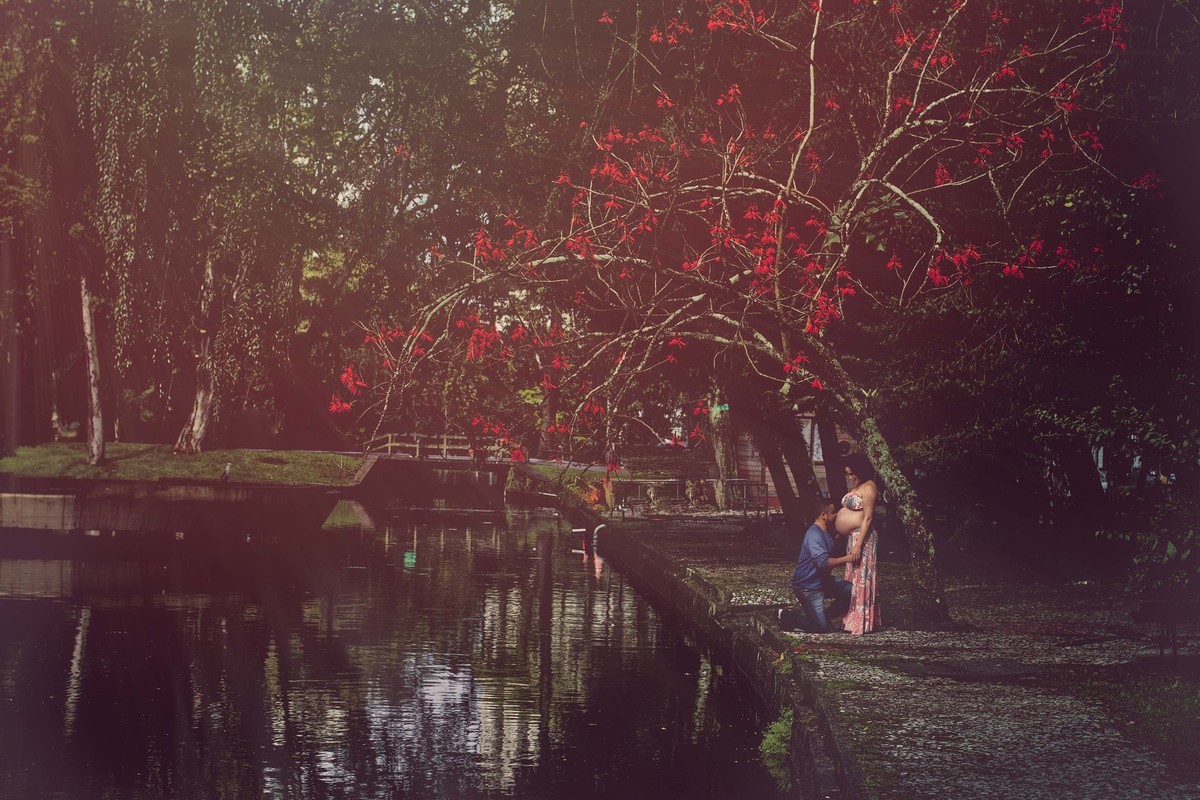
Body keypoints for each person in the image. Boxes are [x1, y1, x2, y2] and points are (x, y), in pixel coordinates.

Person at [788, 496, 857, 632]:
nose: (836, 514)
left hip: (822, 582)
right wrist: (848, 558)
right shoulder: (814, 535)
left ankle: (823, 618)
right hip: (807, 587)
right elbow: (823, 563)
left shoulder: (826, 532)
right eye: (833, 512)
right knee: (820, 628)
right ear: (823, 515)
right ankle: (785, 615)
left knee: (851, 590)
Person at [836, 452, 883, 634]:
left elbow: (868, 518)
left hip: (863, 539)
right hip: (853, 537)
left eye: (851, 473)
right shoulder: (860, 486)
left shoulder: (870, 487)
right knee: (852, 577)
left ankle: (862, 621)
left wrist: (858, 545)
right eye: (848, 474)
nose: (850, 477)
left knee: (862, 577)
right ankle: (851, 618)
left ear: (861, 470)